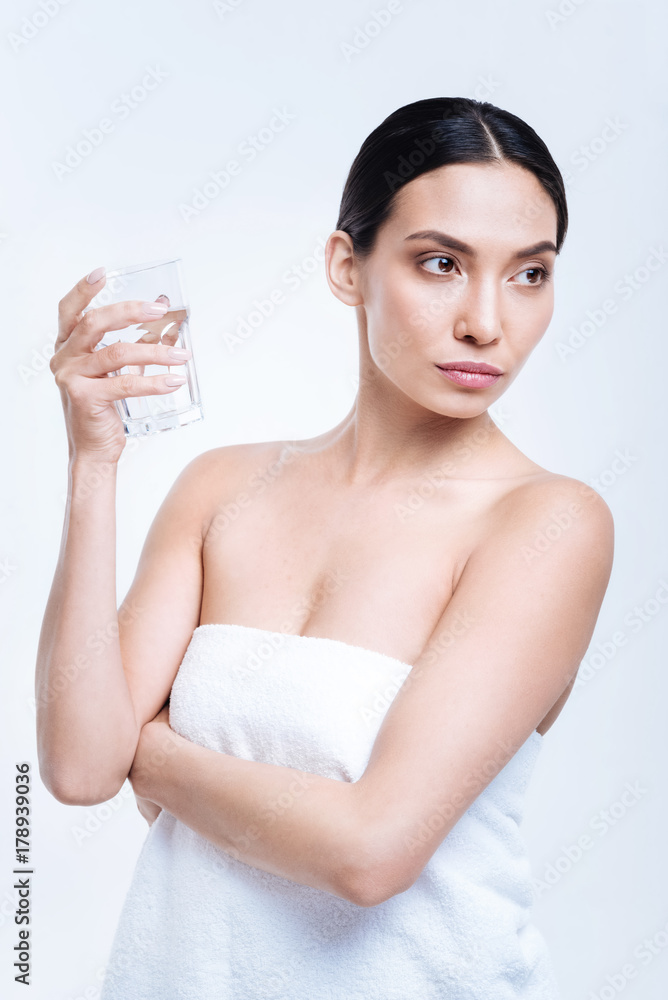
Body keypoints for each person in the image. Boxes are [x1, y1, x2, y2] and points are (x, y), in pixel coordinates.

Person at [37, 97, 614, 997]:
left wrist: (148, 753)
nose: (486, 322)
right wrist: (93, 463)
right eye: (441, 263)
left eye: (529, 274)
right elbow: (79, 767)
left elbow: (369, 852)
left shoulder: (547, 524)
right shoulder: (222, 489)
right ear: (349, 266)